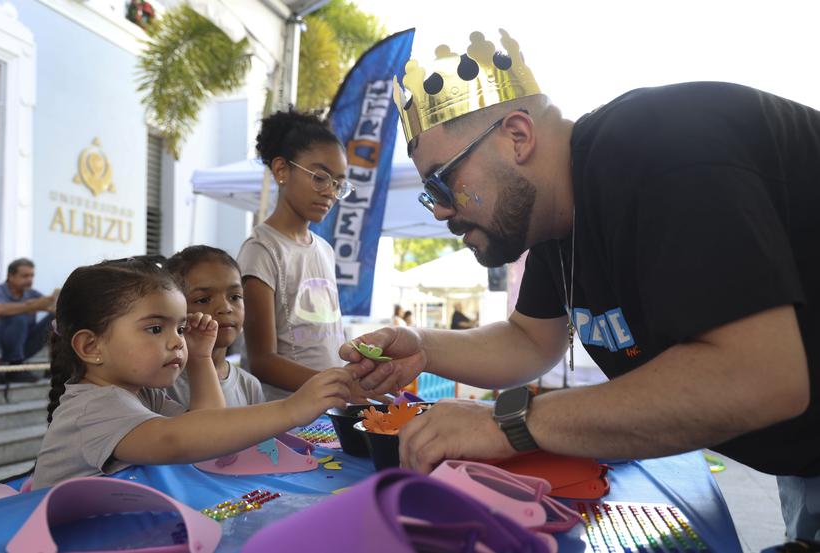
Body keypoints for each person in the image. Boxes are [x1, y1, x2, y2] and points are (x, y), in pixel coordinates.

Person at [341, 29, 820, 541]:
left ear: (518, 136)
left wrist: (508, 423)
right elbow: (529, 340)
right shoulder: (555, 220)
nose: (438, 209)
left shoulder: (663, 147)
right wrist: (423, 348)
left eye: (443, 181)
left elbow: (759, 378)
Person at [33, 257, 351, 489]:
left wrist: (200, 357)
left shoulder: (144, 393)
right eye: (156, 328)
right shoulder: (94, 407)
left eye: (181, 327)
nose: (177, 341)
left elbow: (208, 426)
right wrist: (291, 409)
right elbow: (176, 441)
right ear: (91, 346)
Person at [237, 110, 385, 404]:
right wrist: (338, 386)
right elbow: (262, 361)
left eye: (338, 183)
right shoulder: (262, 249)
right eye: (320, 178)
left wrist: (357, 369)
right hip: (283, 417)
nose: (330, 192)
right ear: (281, 170)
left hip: (328, 411)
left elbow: (327, 336)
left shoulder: (324, 250)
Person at [164, 245, 265, 407]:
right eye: (203, 300)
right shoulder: (162, 382)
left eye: (235, 297)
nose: (225, 308)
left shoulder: (249, 386)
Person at [0, 258, 57, 382]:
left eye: (32, 276)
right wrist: (30, 306)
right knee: (19, 316)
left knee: (55, 320)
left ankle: (55, 366)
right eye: (25, 276)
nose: (30, 280)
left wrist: (57, 303)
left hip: (24, 345)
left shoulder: (31, 293)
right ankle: (15, 367)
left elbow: (50, 307)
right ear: (10, 276)